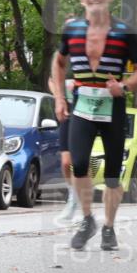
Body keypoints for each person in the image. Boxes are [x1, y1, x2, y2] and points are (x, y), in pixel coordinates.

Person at [52, 0, 137, 250]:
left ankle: (108, 226)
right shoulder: (72, 30)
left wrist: (125, 86)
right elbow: (58, 63)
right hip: (83, 103)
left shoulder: (124, 31)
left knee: (111, 175)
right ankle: (87, 219)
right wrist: (60, 97)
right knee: (79, 164)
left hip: (112, 105)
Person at [48, 76, 78, 222]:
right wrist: (58, 97)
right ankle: (73, 194)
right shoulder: (62, 61)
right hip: (66, 114)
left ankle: (79, 200)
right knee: (66, 162)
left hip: (83, 113)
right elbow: (51, 80)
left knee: (79, 161)